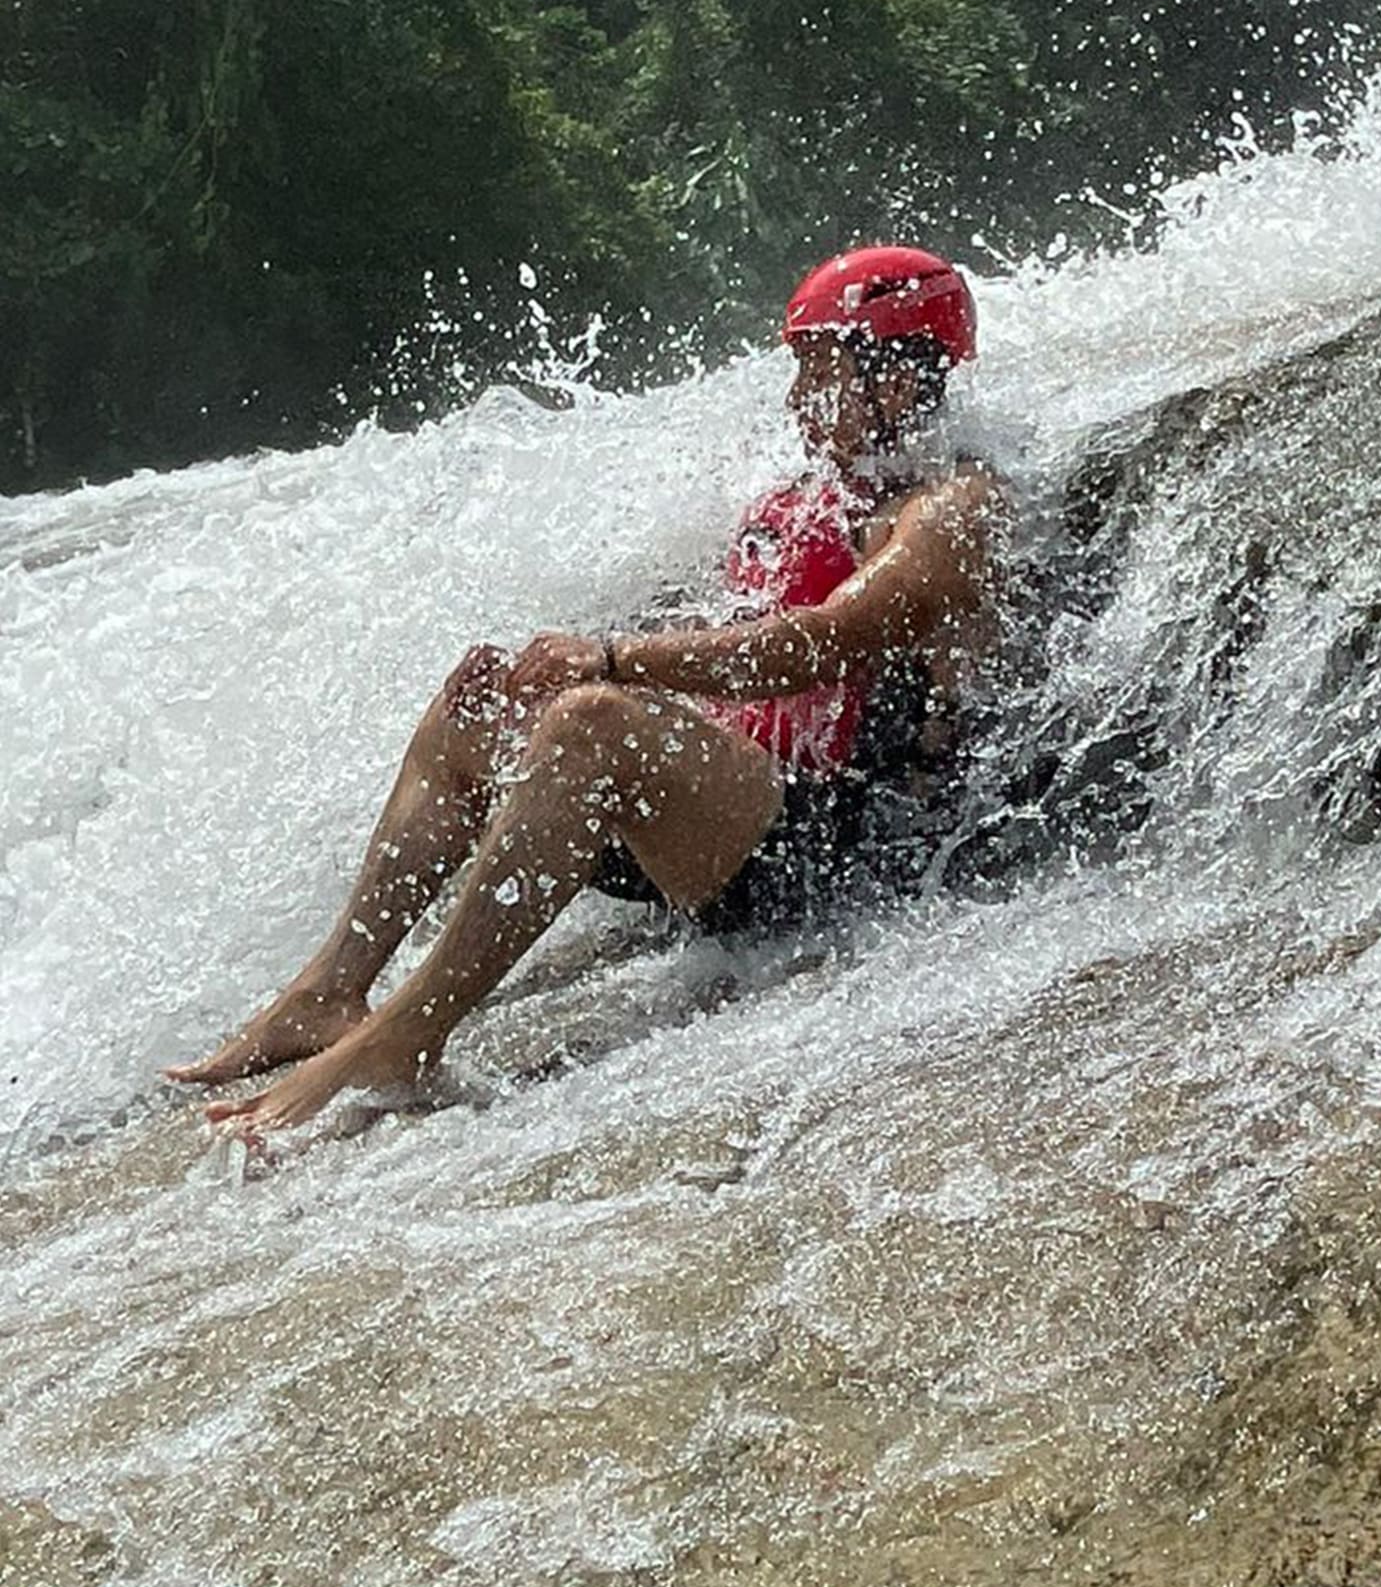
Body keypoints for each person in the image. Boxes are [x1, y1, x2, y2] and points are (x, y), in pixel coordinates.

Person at [167, 245, 1004, 1143]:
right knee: (480, 709)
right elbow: (720, 628)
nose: (800, 403)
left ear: (897, 377)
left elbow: (814, 647)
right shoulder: (813, 497)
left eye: (822, 373)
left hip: (840, 860)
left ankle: (405, 1040)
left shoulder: (950, 510)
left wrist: (607, 660)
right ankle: (328, 991)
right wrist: (548, 667)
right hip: (734, 831)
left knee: (596, 721)